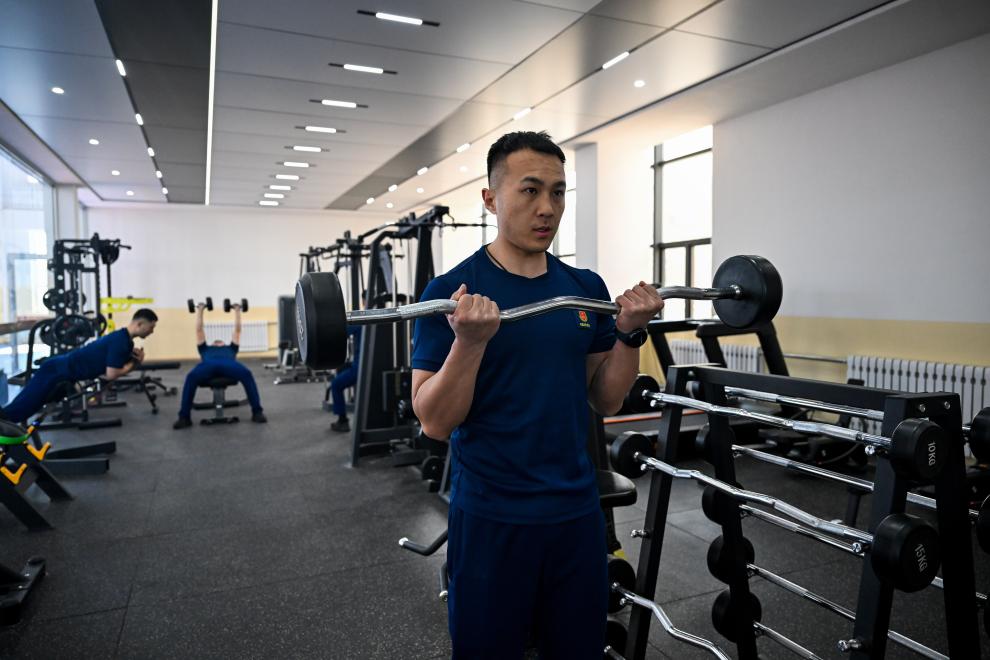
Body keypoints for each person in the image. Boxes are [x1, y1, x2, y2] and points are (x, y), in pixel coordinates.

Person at [411, 131, 664, 659]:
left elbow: (606, 400)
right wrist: (469, 343)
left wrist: (629, 333)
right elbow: (434, 421)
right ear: (490, 198)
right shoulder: (451, 293)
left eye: (558, 192)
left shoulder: (585, 288)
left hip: (575, 512)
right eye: (529, 190)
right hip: (492, 516)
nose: (547, 207)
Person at [1, 309, 158, 424]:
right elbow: (111, 374)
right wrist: (135, 364)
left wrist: (133, 361)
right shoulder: (121, 342)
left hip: (61, 370)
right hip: (56, 370)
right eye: (151, 327)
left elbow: (110, 372)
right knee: (21, 408)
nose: (152, 331)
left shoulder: (124, 340)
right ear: (140, 324)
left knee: (25, 407)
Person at [173, 301, 266, 429]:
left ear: (223, 343)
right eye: (215, 341)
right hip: (208, 365)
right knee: (191, 376)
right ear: (212, 344)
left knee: (247, 373)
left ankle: (257, 412)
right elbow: (199, 330)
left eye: (220, 341)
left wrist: (237, 311)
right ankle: (184, 417)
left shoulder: (231, 348)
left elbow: (237, 330)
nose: (217, 341)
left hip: (229, 365)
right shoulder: (205, 349)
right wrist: (200, 310)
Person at [328, 326, 361, 432]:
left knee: (335, 385)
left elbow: (341, 332)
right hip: (358, 363)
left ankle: (342, 421)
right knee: (341, 368)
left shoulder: (360, 321)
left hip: (360, 367)